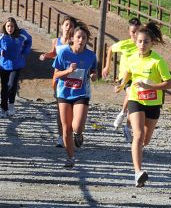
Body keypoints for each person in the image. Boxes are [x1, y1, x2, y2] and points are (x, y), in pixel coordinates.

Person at [118, 23, 171, 187]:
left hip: (154, 103)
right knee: (139, 134)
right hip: (136, 99)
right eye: (140, 41)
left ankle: (137, 150)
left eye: (146, 42)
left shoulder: (158, 61)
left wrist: (151, 87)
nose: (142, 45)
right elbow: (128, 73)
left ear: (152, 43)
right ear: (136, 42)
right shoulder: (132, 57)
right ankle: (138, 173)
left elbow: (169, 84)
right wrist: (121, 86)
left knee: (145, 140)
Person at [52, 23, 97, 168]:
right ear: (72, 38)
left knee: (76, 126)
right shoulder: (64, 53)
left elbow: (94, 71)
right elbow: (56, 74)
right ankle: (70, 157)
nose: (81, 40)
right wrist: (68, 71)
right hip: (64, 93)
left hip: (81, 93)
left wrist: (94, 75)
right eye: (78, 37)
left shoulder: (90, 55)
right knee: (66, 128)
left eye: (84, 38)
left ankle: (79, 134)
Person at [39, 15, 77, 147]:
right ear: (62, 26)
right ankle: (61, 136)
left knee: (72, 109)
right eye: (66, 24)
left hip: (73, 78)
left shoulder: (75, 41)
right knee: (60, 109)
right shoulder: (56, 41)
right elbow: (54, 53)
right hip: (59, 77)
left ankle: (71, 133)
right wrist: (45, 55)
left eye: (71, 25)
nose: (68, 27)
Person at [102, 18, 141, 134]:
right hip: (124, 76)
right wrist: (107, 66)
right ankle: (124, 116)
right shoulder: (124, 44)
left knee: (134, 99)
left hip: (137, 76)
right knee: (131, 94)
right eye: (133, 32)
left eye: (138, 31)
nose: (136, 34)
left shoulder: (143, 44)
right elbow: (110, 49)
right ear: (129, 32)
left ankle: (126, 122)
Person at [0, 17, 32, 118]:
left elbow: (29, 40)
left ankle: (11, 105)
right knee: (4, 87)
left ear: (15, 26)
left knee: (12, 85)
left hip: (17, 65)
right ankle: (3, 108)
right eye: (8, 26)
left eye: (12, 26)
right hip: (4, 65)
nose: (10, 28)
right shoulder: (1, 36)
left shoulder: (21, 34)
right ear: (5, 26)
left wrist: (25, 51)